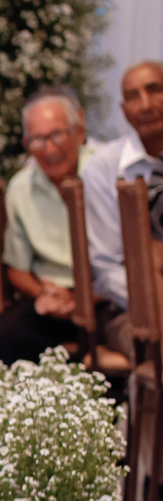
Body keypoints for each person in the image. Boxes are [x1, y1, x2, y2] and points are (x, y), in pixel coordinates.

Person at [0, 87, 97, 366]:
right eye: (37, 140)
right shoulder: (21, 187)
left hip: (103, 293)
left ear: (78, 130)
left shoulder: (104, 172)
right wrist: (46, 294)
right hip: (51, 296)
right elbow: (17, 269)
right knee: (9, 336)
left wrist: (84, 297)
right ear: (26, 143)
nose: (49, 149)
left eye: (56, 135)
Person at [81, 59, 163, 359]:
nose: (145, 105)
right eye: (132, 97)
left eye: (154, 90)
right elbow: (105, 268)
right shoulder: (104, 167)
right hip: (129, 311)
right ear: (123, 109)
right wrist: (153, 302)